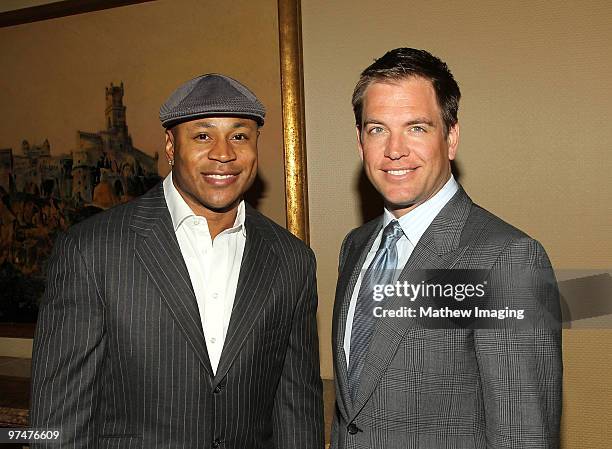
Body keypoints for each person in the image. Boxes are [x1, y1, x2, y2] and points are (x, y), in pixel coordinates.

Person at [30, 74, 324, 449]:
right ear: (170, 146)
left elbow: (297, 411)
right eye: (203, 136)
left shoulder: (292, 260)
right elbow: (55, 424)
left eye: (239, 136)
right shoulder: (91, 250)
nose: (224, 153)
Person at [331, 48, 562, 448]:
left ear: (450, 137)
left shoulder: (507, 259)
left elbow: (522, 436)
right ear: (359, 141)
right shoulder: (356, 246)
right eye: (377, 129)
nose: (394, 149)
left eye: (417, 127)